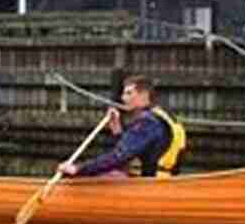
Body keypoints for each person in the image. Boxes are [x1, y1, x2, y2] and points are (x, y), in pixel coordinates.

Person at [58, 75, 186, 178]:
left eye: (129, 93)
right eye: (124, 94)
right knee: (111, 174)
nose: (123, 98)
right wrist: (117, 130)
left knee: (95, 176)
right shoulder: (164, 116)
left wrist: (78, 168)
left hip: (148, 186)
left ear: (144, 95)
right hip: (164, 182)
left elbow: (119, 157)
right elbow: (143, 149)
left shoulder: (148, 121)